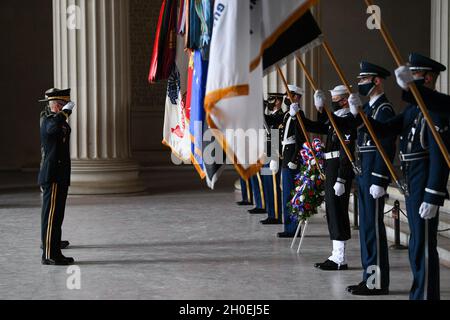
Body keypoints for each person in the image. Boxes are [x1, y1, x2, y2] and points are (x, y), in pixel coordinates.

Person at [362, 53, 450, 300]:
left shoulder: (437, 110)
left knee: (422, 245)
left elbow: (439, 156)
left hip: (424, 184)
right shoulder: (413, 109)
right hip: (412, 182)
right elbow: (387, 128)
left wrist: (433, 195)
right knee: (415, 245)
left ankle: (424, 295)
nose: (412, 79)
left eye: (417, 76)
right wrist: (361, 115)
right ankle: (419, 292)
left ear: (429, 78)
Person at [345, 62, 396, 296]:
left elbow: (386, 145)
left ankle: (376, 283)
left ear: (377, 81)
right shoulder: (369, 110)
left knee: (373, 230)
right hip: (365, 174)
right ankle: (369, 278)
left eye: (365, 80)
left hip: (373, 176)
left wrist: (379, 179)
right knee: (366, 229)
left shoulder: (383, 110)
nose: (361, 84)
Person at [310, 85, 357, 271]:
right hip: (331, 167)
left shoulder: (348, 120)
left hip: (339, 169)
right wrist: (316, 111)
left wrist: (342, 178)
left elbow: (347, 152)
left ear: (345, 101)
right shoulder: (337, 119)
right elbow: (321, 126)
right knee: (332, 211)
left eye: (335, 101)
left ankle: (340, 258)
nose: (334, 104)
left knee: (337, 212)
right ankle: (336, 254)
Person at [39, 88, 76, 265]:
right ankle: (48, 255)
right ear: (56, 106)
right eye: (62, 104)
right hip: (52, 176)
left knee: (56, 217)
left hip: (59, 176)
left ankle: (55, 251)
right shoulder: (48, 121)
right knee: (51, 217)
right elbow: (53, 130)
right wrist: (65, 112)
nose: (64, 108)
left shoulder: (56, 121)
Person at [277, 85, 305, 238]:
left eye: (289, 95)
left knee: (291, 195)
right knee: (286, 194)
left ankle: (293, 228)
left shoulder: (299, 114)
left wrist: (295, 159)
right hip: (285, 158)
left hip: (292, 159)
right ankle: (289, 227)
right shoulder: (288, 114)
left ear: (297, 97)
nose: (285, 98)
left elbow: (300, 139)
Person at [261, 94, 285, 225]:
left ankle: (276, 215)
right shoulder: (274, 115)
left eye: (272, 100)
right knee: (268, 185)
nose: (269, 102)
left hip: (274, 156)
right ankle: (271, 213)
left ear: (278, 102)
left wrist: (274, 156)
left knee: (274, 186)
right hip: (267, 155)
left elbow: (276, 136)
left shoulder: (280, 116)